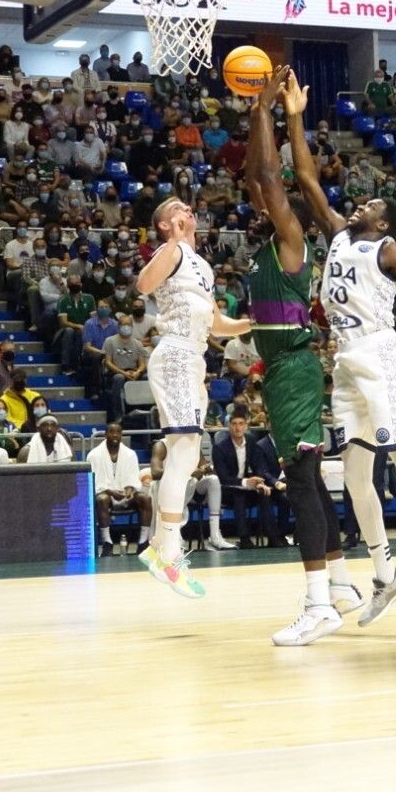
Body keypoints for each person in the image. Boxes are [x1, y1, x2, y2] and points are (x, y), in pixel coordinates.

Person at [290, 95, 396, 624]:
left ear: (386, 226)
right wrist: (294, 116)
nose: (364, 206)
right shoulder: (338, 234)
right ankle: (385, 573)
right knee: (356, 476)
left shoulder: (389, 250)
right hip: (346, 360)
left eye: (375, 208)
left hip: (382, 354)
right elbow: (308, 182)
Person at [241, 69, 362, 645]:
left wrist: (267, 110)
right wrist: (266, 116)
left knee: (301, 482)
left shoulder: (293, 240)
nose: (258, 192)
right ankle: (339, 584)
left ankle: (318, 602)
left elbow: (269, 174)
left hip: (293, 367)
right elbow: (256, 173)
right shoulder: (270, 241)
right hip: (286, 367)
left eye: (265, 194)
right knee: (310, 482)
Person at [135, 196, 252, 596]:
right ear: (165, 225)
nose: (188, 210)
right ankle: (167, 551)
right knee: (184, 453)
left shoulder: (200, 264)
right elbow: (143, 284)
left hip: (194, 357)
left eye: (188, 208)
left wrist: (257, 324)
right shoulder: (171, 252)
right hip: (175, 353)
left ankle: (160, 545)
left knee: (184, 456)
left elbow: (218, 324)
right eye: (178, 209)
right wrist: (173, 241)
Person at [213, 405, 290, 550]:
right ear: (229, 426)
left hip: (249, 486)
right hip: (228, 490)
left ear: (246, 425)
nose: (237, 428)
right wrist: (246, 482)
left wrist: (260, 482)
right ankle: (244, 538)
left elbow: (260, 466)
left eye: (241, 424)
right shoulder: (220, 448)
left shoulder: (251, 442)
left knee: (265, 492)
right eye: (234, 424)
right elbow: (223, 478)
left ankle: (273, 537)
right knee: (239, 495)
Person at [89, 424, 151, 556]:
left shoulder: (130, 454)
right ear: (105, 434)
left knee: (145, 498)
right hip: (106, 494)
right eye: (111, 432)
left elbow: (133, 478)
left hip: (126, 494)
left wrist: (129, 489)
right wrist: (110, 492)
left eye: (118, 432)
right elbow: (93, 483)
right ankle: (107, 542)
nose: (115, 435)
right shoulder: (93, 455)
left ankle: (143, 542)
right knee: (102, 499)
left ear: (121, 435)